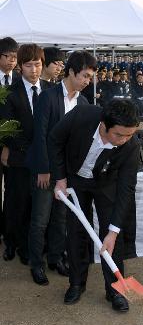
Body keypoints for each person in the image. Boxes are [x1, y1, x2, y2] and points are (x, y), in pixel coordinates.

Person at [49, 100, 140, 311]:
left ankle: (115, 290)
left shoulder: (131, 145)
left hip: (106, 184)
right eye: (119, 135)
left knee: (112, 239)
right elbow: (54, 139)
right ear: (104, 124)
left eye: (129, 134)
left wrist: (113, 232)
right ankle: (77, 283)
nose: (124, 140)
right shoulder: (82, 116)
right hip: (75, 180)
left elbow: (126, 189)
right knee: (76, 232)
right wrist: (60, 179)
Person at [26, 51, 96, 285]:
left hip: (68, 173)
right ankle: (37, 264)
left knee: (61, 218)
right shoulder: (48, 97)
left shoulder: (84, 102)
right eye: (85, 76)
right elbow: (41, 136)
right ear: (72, 72)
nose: (87, 81)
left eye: (90, 77)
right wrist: (44, 170)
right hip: (46, 170)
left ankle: (56, 258)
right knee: (40, 220)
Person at [1, 44, 51, 265]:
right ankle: (13, 243)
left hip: (44, 161)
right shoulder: (10, 94)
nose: (34, 70)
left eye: (37, 64)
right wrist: (33, 149)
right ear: (20, 67)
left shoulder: (51, 90)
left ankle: (32, 246)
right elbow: (8, 128)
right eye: (28, 65)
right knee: (16, 202)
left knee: (36, 205)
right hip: (19, 158)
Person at [0, 37, 20, 248]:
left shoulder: (18, 81)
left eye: (15, 58)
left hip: (13, 146)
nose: (12, 62)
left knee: (13, 190)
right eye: (9, 57)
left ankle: (9, 230)